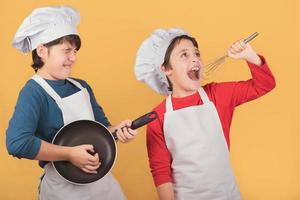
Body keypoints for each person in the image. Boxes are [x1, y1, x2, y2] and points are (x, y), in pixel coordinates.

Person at [6, 6, 137, 200]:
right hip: (64, 191)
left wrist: (118, 131)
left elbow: (101, 130)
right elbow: (17, 143)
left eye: (74, 51)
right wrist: (69, 154)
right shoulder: (33, 92)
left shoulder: (81, 87)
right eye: (67, 50)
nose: (73, 58)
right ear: (42, 51)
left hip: (103, 186)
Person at [134, 28, 276, 200]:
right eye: (184, 54)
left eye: (196, 53)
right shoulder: (158, 116)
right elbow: (160, 171)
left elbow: (264, 85)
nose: (195, 58)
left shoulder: (218, 95)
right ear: (166, 69)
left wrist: (250, 56)